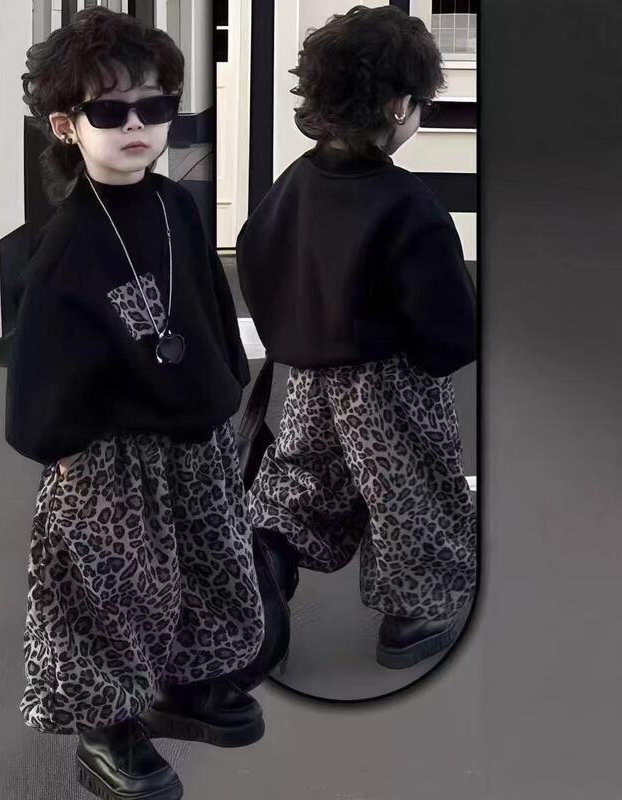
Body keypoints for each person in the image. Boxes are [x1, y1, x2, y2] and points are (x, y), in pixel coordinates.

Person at [6, 9, 265, 800]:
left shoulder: (176, 205)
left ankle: (188, 679)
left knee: (210, 554)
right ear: (66, 125)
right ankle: (107, 725)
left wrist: (225, 385)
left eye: (153, 107)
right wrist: (67, 448)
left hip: (193, 434)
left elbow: (208, 303)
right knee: (113, 585)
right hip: (109, 454)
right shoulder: (66, 243)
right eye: (109, 111)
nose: (135, 126)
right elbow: (41, 365)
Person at [236, 5, 477, 671]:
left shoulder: (294, 183)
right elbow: (448, 325)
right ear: (399, 106)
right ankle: (415, 612)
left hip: (309, 377)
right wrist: (441, 350)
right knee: (410, 488)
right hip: (392, 386)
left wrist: (294, 333)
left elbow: (256, 254)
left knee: (304, 472)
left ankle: (268, 562)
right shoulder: (408, 205)